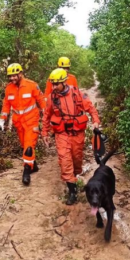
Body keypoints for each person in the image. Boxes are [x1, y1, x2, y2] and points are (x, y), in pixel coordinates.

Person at [42, 68, 100, 205]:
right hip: (62, 134)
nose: (54, 87)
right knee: (64, 159)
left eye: (56, 84)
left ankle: (75, 176)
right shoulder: (52, 98)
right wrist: (45, 132)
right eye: (52, 84)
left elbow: (90, 108)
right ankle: (72, 191)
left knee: (76, 160)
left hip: (77, 133)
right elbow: (46, 116)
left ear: (64, 82)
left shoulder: (78, 94)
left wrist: (96, 121)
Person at [0, 63, 45, 185]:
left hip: (32, 120)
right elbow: (6, 105)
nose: (12, 78)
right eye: (10, 76)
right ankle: (33, 165)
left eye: (14, 75)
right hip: (19, 122)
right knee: (24, 146)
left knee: (29, 147)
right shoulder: (9, 88)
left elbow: (42, 100)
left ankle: (26, 172)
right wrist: (2, 119)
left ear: (20, 74)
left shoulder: (32, 85)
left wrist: (47, 116)